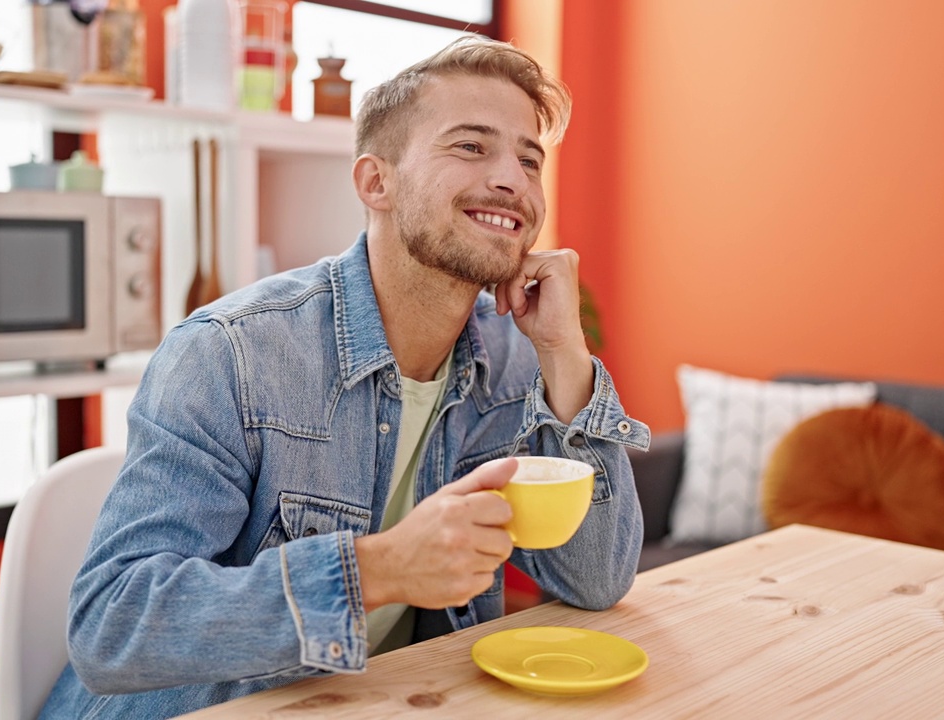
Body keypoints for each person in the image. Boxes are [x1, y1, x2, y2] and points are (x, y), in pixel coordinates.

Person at [40, 34, 650, 719]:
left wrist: (566, 351)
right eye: (471, 146)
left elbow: (595, 580)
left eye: (529, 159)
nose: (512, 179)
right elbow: (112, 627)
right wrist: (380, 569)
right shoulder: (231, 354)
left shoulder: (514, 358)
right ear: (375, 182)